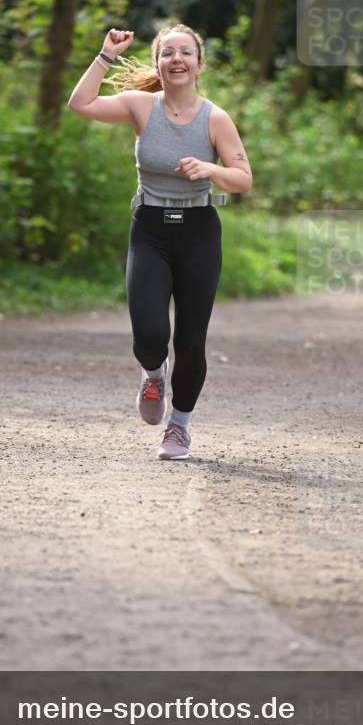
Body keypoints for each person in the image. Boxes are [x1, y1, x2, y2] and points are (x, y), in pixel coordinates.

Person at [67, 24, 252, 459]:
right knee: (150, 331)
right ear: (158, 64)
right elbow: (81, 103)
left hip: (199, 232)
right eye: (168, 53)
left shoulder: (216, 118)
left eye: (186, 53)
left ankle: (179, 426)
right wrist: (106, 55)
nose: (177, 60)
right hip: (150, 228)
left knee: (191, 338)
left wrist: (210, 171)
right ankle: (154, 374)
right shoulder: (140, 107)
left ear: (198, 64)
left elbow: (243, 178)